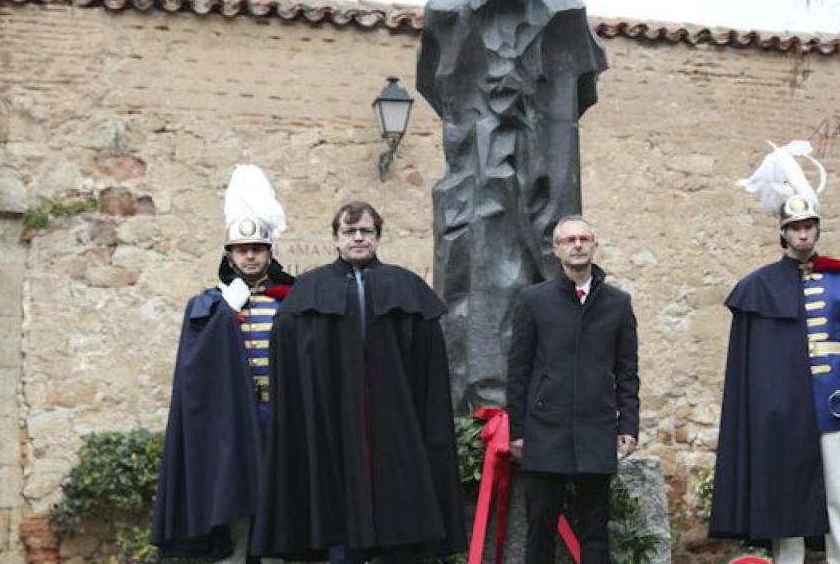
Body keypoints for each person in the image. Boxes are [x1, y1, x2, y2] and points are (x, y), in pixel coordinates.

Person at [709, 141, 840, 563]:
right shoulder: (759, 288)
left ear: (817, 228)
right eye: (795, 227)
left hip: (833, 408)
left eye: (809, 225)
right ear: (783, 232)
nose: (803, 233)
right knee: (785, 508)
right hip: (782, 417)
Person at [417, 0, 608, 410]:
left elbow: (579, 93)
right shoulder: (443, 15)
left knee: (534, 298)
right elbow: (437, 91)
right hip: (468, 193)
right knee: (470, 307)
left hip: (543, 189)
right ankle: (474, 423)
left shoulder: (565, 15)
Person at [253, 201, 467, 563]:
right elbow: (289, 359)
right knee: (339, 526)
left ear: (378, 237)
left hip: (394, 425)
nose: (357, 238)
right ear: (335, 239)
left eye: (365, 231)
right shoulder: (309, 290)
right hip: (333, 425)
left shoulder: (405, 286)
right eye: (349, 232)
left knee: (398, 525)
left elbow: (428, 364)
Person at [151, 165, 295, 562]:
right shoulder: (208, 305)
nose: (250, 255)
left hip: (279, 412)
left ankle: (274, 555)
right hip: (230, 417)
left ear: (269, 252)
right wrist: (223, 315)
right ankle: (238, 552)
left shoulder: (290, 300)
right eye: (242, 249)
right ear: (229, 255)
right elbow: (194, 368)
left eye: (257, 248)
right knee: (234, 492)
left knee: (278, 490)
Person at [505, 214, 640, 564]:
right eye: (569, 240)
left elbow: (627, 372)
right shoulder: (534, 301)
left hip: (595, 429)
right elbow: (518, 370)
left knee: (594, 531)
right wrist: (518, 431)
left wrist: (628, 425)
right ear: (556, 249)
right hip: (544, 431)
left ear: (594, 244)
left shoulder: (618, 304)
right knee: (540, 529)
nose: (577, 245)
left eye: (584, 239)